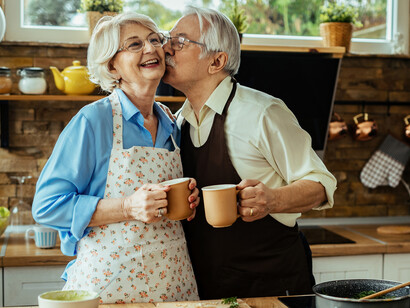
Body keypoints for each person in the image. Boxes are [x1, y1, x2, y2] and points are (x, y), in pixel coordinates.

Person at [162, 6, 337, 300]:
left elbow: (321, 184)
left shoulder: (262, 113)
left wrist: (273, 199)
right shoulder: (176, 122)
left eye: (180, 41)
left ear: (216, 61)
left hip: (270, 289)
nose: (166, 47)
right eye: (168, 38)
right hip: (208, 289)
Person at [32, 12, 199, 304]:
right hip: (109, 288)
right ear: (112, 65)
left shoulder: (171, 123)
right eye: (134, 45)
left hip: (174, 286)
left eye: (154, 40)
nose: (150, 49)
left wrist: (188, 202)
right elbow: (46, 207)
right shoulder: (94, 121)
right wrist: (128, 206)